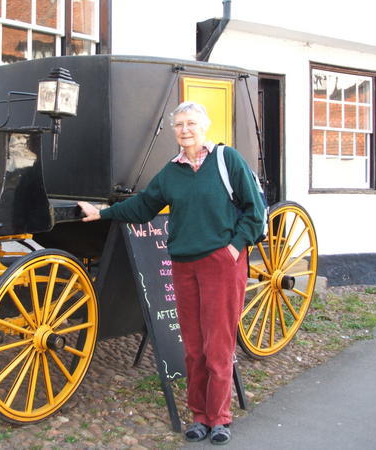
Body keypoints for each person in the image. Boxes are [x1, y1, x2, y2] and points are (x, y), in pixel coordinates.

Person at [78, 101, 265, 445]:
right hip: (183, 265)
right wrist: (103, 213)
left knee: (218, 345)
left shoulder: (227, 161)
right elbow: (143, 205)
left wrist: (235, 248)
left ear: (204, 126)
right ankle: (198, 415)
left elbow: (255, 212)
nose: (185, 130)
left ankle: (219, 418)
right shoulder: (171, 172)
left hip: (221, 264)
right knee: (193, 346)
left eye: (191, 123)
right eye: (179, 125)